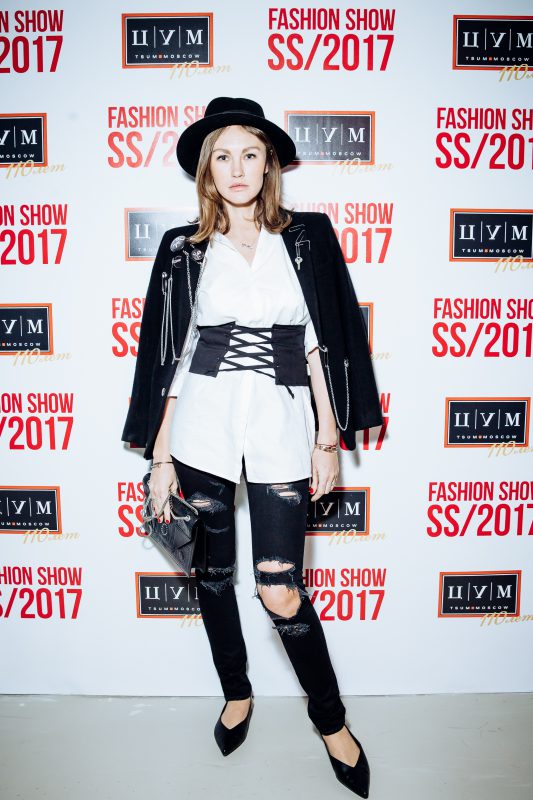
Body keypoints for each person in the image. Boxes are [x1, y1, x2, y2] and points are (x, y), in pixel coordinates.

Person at [125, 97, 379, 798]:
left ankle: (330, 721)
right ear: (207, 170)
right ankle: (236, 692)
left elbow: (321, 345)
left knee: (280, 590)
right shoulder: (183, 249)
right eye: (222, 156)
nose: (236, 168)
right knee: (211, 578)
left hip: (281, 429)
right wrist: (160, 457)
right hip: (200, 432)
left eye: (250, 154)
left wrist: (327, 438)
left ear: (269, 165)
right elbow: (170, 361)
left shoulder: (307, 238)